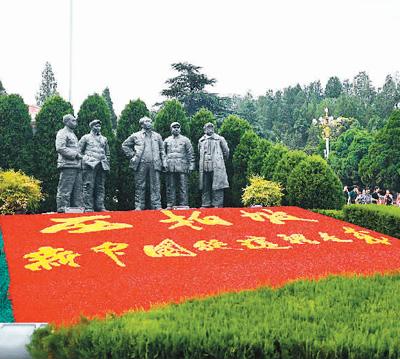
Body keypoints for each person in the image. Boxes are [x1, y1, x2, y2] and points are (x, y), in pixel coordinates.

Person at [122, 116, 166, 210]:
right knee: (140, 184)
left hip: (155, 163)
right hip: (141, 163)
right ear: (142, 124)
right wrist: (132, 155)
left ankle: (156, 205)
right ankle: (139, 206)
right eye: (147, 121)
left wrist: (164, 162)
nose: (150, 122)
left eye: (150, 121)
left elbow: (162, 150)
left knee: (155, 185)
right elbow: (125, 145)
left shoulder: (157, 136)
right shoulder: (136, 135)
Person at [79, 119, 110, 212]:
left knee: (100, 186)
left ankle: (100, 206)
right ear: (92, 127)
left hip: (101, 165)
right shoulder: (86, 137)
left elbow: (107, 152)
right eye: (96, 126)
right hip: (89, 165)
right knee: (88, 185)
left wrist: (106, 161)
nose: (98, 128)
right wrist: (86, 159)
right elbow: (78, 150)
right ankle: (88, 207)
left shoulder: (104, 139)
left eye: (99, 126)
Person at [55, 114, 83, 212]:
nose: (75, 122)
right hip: (67, 165)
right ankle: (62, 209)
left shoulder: (72, 134)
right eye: (73, 120)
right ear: (67, 122)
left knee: (78, 190)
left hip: (76, 166)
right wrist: (75, 155)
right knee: (65, 189)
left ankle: (78, 209)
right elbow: (60, 148)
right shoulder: (62, 133)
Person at [164, 122, 195, 208]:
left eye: (178, 127)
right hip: (170, 166)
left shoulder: (186, 140)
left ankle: (184, 204)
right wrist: (164, 164)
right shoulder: (166, 140)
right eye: (174, 127)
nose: (176, 129)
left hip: (182, 166)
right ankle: (170, 204)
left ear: (180, 129)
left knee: (183, 186)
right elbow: (162, 153)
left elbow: (190, 153)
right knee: (170, 186)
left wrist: (191, 165)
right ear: (171, 129)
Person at [198, 122, 229, 208]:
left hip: (216, 165)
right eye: (208, 127)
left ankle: (217, 204)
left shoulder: (220, 139)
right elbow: (199, 152)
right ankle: (205, 203)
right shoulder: (201, 140)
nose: (210, 129)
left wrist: (220, 161)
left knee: (217, 185)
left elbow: (226, 152)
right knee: (205, 185)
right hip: (205, 165)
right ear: (204, 129)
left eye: (211, 127)